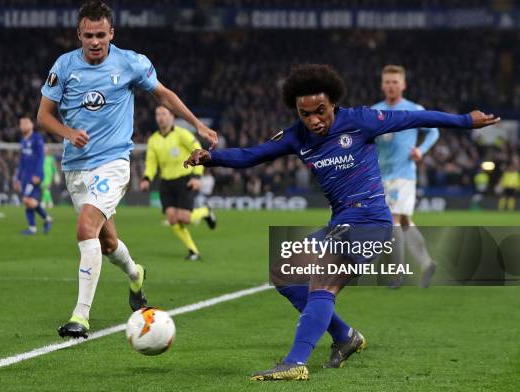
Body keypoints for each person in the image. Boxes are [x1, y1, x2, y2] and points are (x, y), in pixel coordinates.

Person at [184, 64, 498, 381]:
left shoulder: (360, 121)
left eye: (320, 111)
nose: (314, 120)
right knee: (284, 273)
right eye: (305, 114)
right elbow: (253, 154)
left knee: (322, 279)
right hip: (342, 221)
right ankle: (345, 336)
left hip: (370, 219)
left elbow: (414, 118)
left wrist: (464, 121)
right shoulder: (296, 135)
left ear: (333, 102)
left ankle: (295, 362)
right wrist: (212, 158)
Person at [37, 0, 217, 339]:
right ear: (79, 34)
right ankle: (135, 275)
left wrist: (198, 125)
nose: (94, 41)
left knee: (84, 226)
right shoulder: (63, 67)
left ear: (111, 33)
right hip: (76, 167)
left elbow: (163, 94)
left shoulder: (131, 63)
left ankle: (81, 316)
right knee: (106, 242)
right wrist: (68, 133)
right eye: (88, 35)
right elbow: (43, 116)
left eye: (101, 35)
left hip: (114, 163)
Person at [372, 65, 438, 288]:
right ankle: (426, 263)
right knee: (405, 222)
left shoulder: (412, 109)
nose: (391, 86)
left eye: (395, 82)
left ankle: (396, 275)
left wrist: (421, 150)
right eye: (387, 82)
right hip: (381, 174)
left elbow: (434, 130)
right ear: (382, 85)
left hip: (404, 174)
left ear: (403, 85)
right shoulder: (375, 111)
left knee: (393, 220)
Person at [140, 105, 217, 261]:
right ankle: (193, 251)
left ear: (171, 117)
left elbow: (198, 151)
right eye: (158, 114)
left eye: (164, 114)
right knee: (172, 218)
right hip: (166, 183)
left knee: (185, 218)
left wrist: (197, 176)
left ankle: (206, 212)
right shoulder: (153, 140)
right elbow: (151, 163)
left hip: (185, 179)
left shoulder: (182, 134)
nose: (160, 117)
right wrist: (147, 178)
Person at [13, 116, 53, 235]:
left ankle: (47, 218)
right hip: (25, 176)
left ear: (31, 125)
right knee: (27, 201)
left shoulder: (37, 138)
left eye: (26, 122)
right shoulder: (23, 140)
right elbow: (22, 161)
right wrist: (18, 178)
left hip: (34, 175)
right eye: (21, 123)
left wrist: (37, 174)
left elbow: (41, 157)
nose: (23, 125)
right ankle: (32, 228)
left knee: (27, 199)